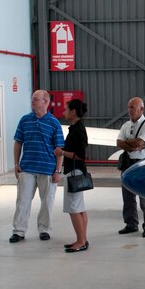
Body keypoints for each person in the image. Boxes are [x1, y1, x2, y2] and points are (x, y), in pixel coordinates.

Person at [10, 89, 64, 243]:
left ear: (46, 102)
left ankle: (44, 229)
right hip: (27, 168)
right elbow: (18, 142)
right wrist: (16, 163)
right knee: (22, 201)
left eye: (35, 99)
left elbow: (60, 149)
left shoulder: (54, 123)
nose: (32, 102)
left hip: (47, 169)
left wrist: (57, 171)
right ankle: (18, 231)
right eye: (32, 99)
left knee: (47, 202)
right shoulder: (25, 120)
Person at [116, 97, 145, 237]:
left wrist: (130, 143)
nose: (130, 110)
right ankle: (131, 224)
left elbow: (140, 143)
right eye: (129, 107)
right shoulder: (126, 125)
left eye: (133, 107)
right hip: (128, 163)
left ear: (141, 109)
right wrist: (133, 144)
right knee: (127, 196)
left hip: (142, 163)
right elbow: (119, 143)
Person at [55, 99, 89, 253]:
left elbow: (80, 155)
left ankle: (81, 241)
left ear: (73, 112)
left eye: (66, 109)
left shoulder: (78, 129)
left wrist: (62, 152)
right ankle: (82, 239)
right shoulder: (75, 128)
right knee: (79, 207)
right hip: (75, 170)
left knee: (74, 208)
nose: (63, 112)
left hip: (75, 171)